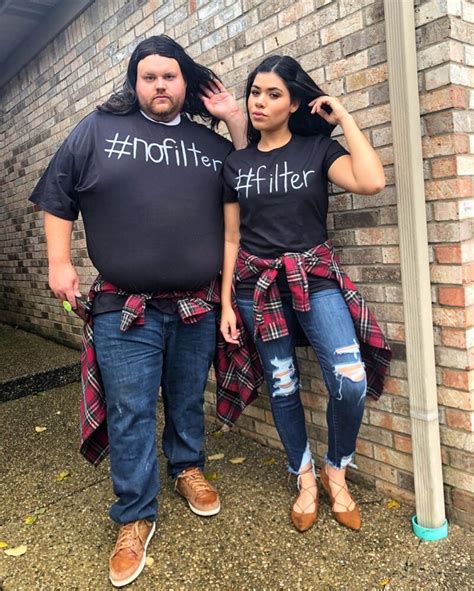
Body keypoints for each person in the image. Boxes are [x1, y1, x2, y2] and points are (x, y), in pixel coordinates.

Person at [30, 35, 246, 587]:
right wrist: (59, 262)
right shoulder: (97, 130)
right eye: (149, 77)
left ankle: (187, 467)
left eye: (169, 76)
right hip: (124, 306)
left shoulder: (209, 144)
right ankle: (134, 516)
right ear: (135, 82)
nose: (159, 85)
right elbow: (57, 195)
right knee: (130, 410)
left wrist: (233, 120)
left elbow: (247, 184)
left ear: (184, 82)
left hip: (196, 304)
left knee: (186, 396)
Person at [220, 56, 391, 533]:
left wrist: (345, 118)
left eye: (273, 94)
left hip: (315, 280)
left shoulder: (317, 149)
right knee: (283, 383)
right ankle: (305, 478)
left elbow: (371, 181)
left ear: (294, 103)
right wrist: (227, 302)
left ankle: (337, 469)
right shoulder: (236, 164)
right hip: (257, 289)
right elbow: (231, 238)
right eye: (255, 92)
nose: (259, 102)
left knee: (350, 380)